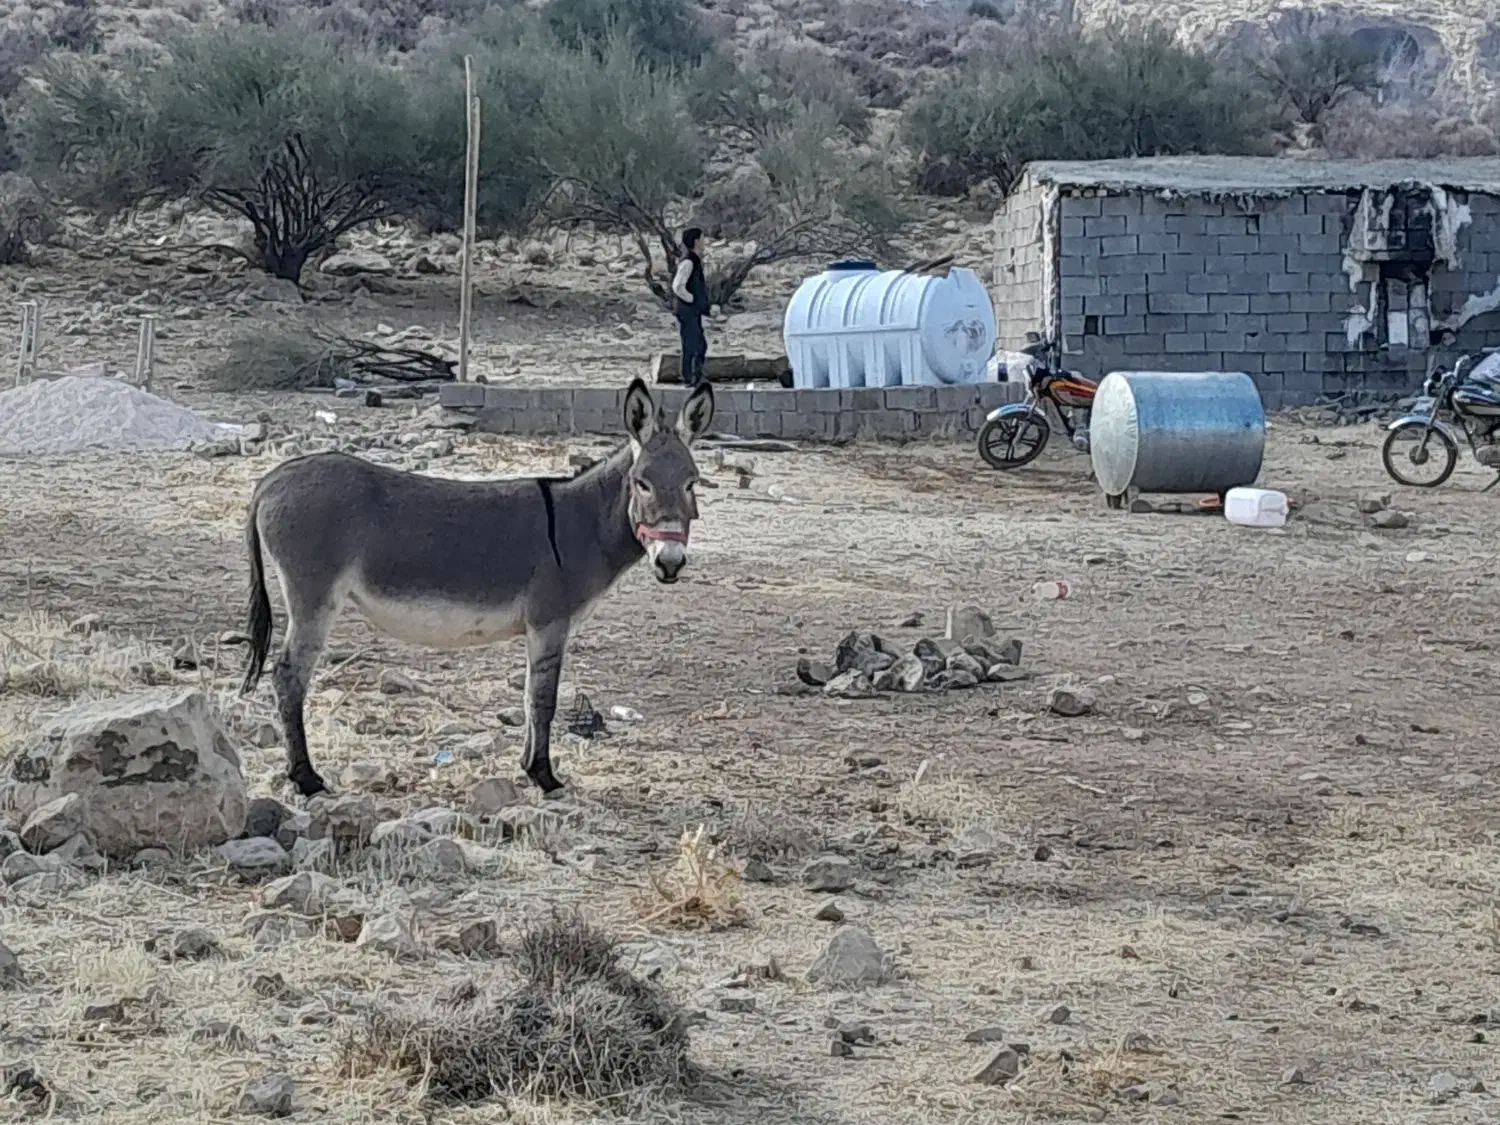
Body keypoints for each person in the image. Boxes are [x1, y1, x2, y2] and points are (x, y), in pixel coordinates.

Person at [671, 227, 711, 388]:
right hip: (687, 310)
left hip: (691, 310)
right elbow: (677, 286)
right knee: (693, 344)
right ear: (696, 241)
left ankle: (694, 376)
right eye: (702, 238)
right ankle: (691, 377)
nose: (704, 242)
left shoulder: (693, 260)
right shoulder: (688, 261)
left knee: (697, 343)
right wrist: (693, 299)